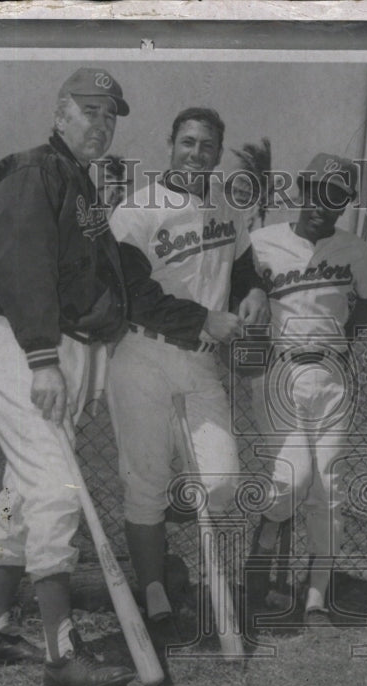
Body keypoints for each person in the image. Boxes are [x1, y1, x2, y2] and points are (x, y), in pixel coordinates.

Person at [0, 69, 206, 686]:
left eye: (111, 116)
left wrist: (87, 362)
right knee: (57, 491)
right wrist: (44, 359)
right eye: (90, 111)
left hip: (63, 347)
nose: (101, 124)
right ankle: (61, 653)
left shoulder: (79, 181)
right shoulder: (32, 172)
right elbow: (21, 270)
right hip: (26, 343)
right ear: (61, 110)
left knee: (24, 490)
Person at [107, 107, 270, 629]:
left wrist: (256, 293)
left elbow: (243, 271)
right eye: (187, 142)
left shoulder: (229, 210)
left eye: (206, 146)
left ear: (218, 154)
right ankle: (154, 594)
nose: (195, 154)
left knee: (221, 482)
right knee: (146, 482)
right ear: (170, 143)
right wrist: (204, 318)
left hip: (200, 364)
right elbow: (133, 297)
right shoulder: (137, 210)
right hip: (143, 355)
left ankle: (160, 525)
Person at [248, 152, 367, 622]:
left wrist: (337, 338)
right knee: (291, 478)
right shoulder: (262, 242)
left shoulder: (355, 251)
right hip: (279, 374)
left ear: (344, 203)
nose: (321, 204)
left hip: (333, 378)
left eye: (335, 196)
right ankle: (265, 540)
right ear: (300, 191)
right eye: (314, 191)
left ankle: (316, 595)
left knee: (329, 487)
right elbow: (240, 292)